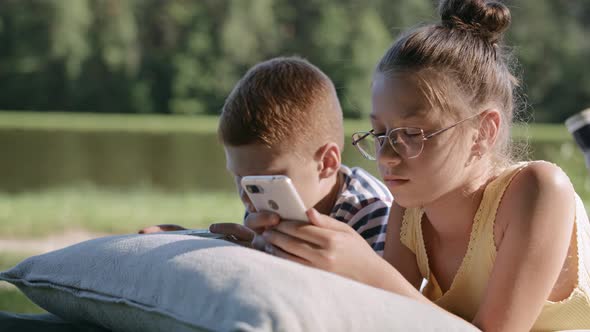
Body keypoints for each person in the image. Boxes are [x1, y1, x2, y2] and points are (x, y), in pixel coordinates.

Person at [253, 1, 590, 330]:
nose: (386, 157)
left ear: (483, 132)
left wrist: (369, 269)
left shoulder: (538, 190)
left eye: (411, 133)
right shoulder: (411, 207)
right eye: (381, 133)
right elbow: (386, 318)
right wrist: (283, 254)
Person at [139, 56, 392, 255]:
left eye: (266, 182)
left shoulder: (370, 211)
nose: (249, 200)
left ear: (326, 163)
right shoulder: (262, 203)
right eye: (241, 179)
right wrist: (200, 245)